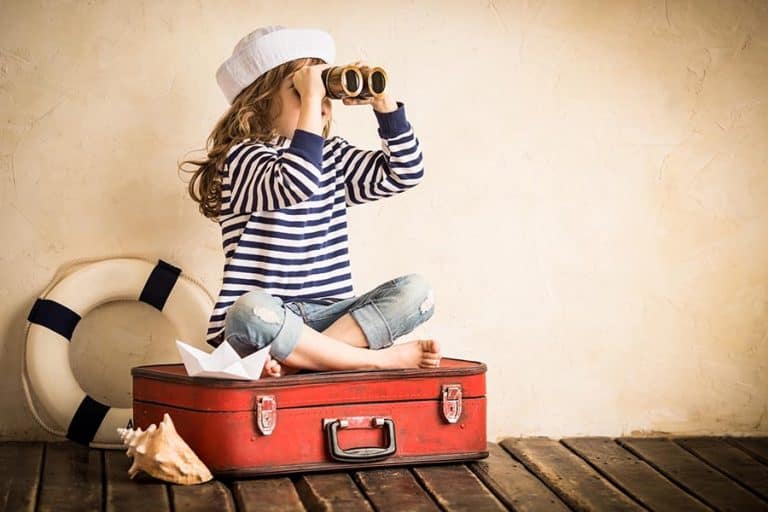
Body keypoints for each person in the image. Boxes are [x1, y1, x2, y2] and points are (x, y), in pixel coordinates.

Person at [179, 25, 440, 378]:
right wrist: (313, 100)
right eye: (301, 93)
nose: (321, 104)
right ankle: (372, 361)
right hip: (268, 319)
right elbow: (296, 182)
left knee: (416, 292)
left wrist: (383, 102)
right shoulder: (242, 158)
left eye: (324, 95)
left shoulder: (331, 157)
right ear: (259, 101)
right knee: (247, 309)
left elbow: (405, 172)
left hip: (327, 317)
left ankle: (294, 364)